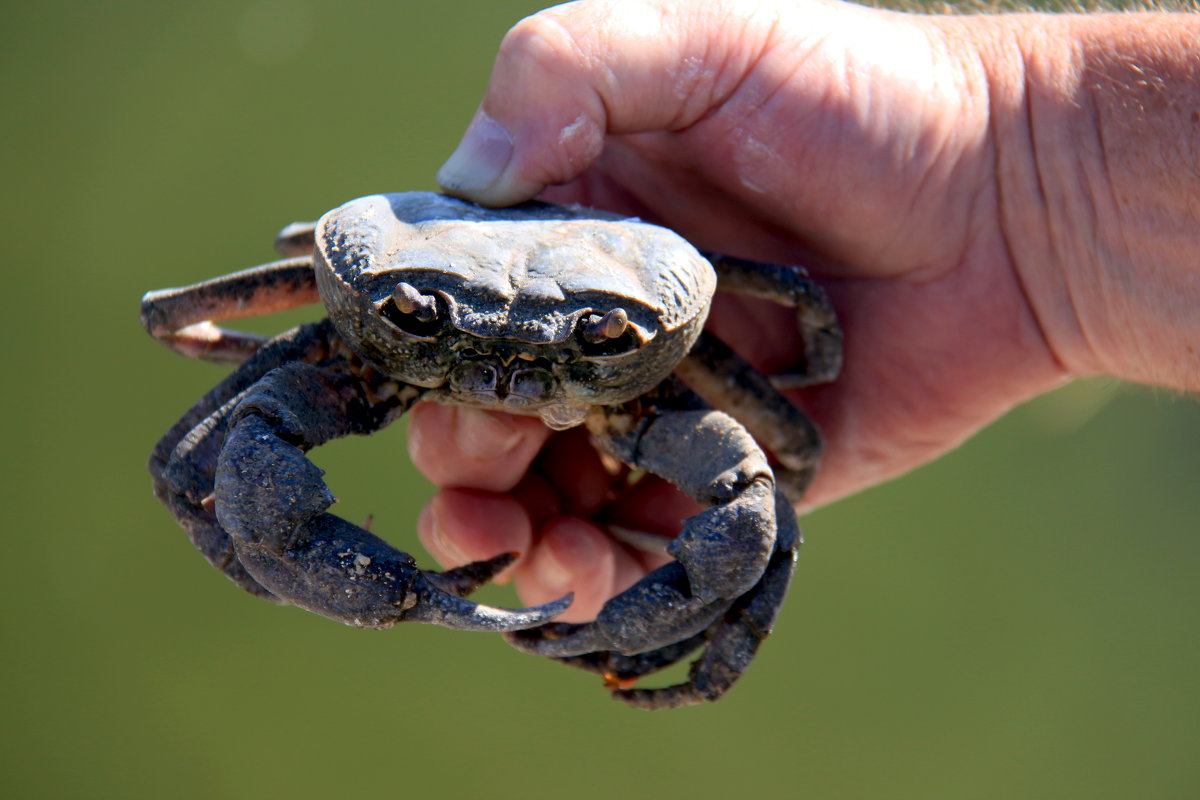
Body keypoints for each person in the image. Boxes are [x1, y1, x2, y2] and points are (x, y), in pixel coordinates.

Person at [408, 0, 1200, 621]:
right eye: (416, 311)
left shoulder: (712, 306)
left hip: (657, 330)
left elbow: (788, 450)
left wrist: (1007, 177)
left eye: (602, 331)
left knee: (757, 509)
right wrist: (1013, 169)